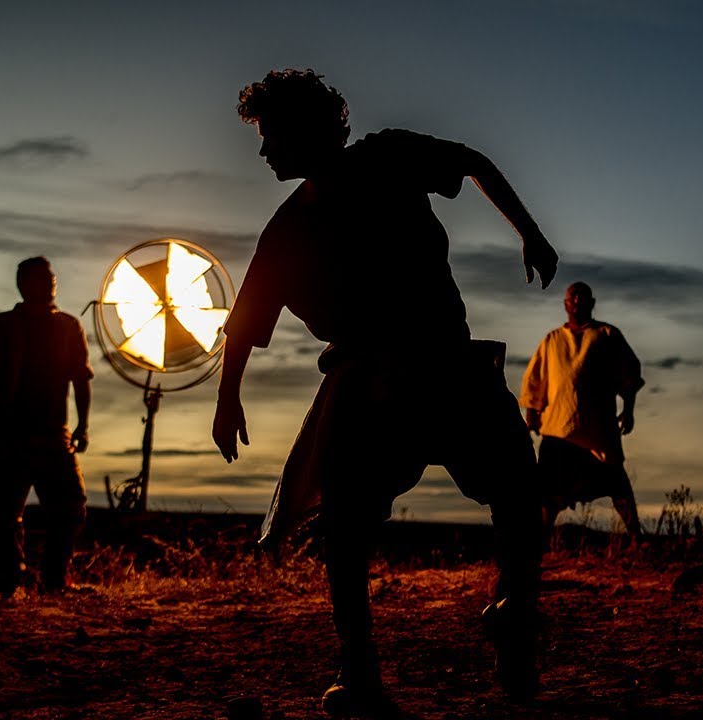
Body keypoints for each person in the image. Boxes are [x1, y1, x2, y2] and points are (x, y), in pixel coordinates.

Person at [212, 69, 558, 714]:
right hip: (369, 386)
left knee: (517, 493)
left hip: (441, 366)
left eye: (271, 135)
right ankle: (362, 670)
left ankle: (514, 611)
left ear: (309, 128)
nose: (264, 152)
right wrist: (226, 396)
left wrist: (529, 231)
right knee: (347, 528)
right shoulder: (286, 228)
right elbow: (245, 321)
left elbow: (474, 161)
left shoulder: (388, 155)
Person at [0, 256, 92, 594]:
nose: (51, 281)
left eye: (51, 276)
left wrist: (82, 425)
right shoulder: (0, 326)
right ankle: (10, 582)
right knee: (7, 516)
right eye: (42, 277)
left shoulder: (69, 326)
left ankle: (53, 580)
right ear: (24, 283)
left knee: (70, 508)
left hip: (54, 436)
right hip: (10, 438)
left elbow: (81, 378)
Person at [520, 282, 644, 536]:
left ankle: (636, 538)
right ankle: (537, 545)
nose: (576, 302)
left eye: (581, 297)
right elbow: (535, 382)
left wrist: (628, 409)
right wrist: (531, 416)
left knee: (617, 483)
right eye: (571, 298)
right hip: (558, 430)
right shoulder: (552, 340)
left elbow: (629, 375)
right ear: (565, 305)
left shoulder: (607, 335)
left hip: (597, 432)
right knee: (547, 491)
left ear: (592, 303)